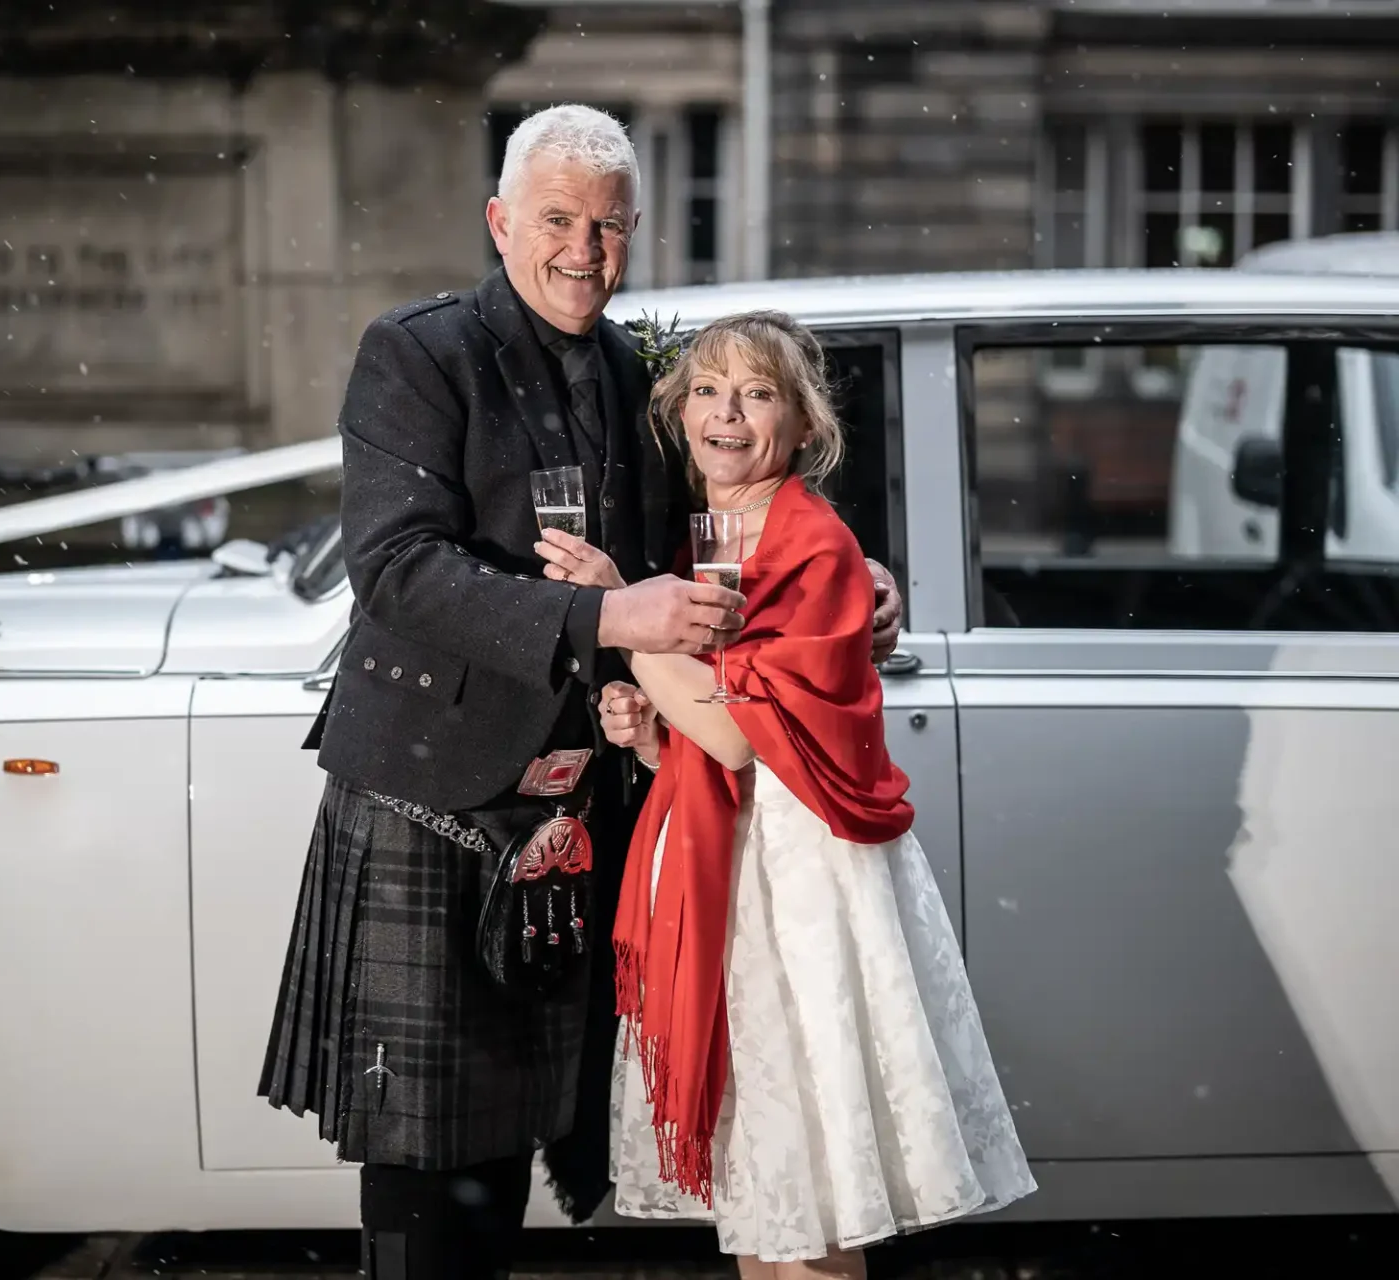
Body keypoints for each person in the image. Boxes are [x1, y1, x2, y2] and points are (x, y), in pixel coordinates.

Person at [258, 104, 903, 1280]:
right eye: (557, 218)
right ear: (501, 221)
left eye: (608, 226)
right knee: (427, 1175)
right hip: (431, 795)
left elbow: (718, 526)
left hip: (585, 804)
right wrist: (606, 617)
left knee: (513, 1148)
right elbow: (397, 570)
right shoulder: (419, 350)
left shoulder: (632, 371)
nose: (582, 249)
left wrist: (855, 576)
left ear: (635, 233)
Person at [536, 311, 1035, 1278]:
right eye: (710, 390)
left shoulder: (809, 541)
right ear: (680, 413)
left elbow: (734, 727)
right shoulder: (716, 534)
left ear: (804, 425)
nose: (728, 412)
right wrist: (649, 733)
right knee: (770, 1195)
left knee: (810, 1206)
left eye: (758, 393)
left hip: (802, 887)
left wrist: (611, 610)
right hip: (739, 872)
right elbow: (714, 724)